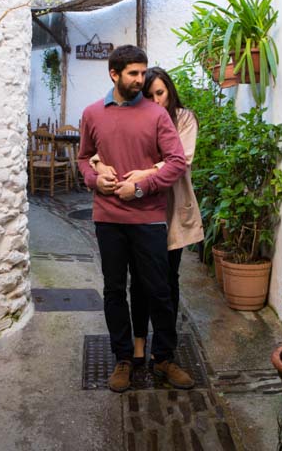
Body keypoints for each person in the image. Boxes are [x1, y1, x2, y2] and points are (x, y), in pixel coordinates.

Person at [77, 45, 195, 393]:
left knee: (159, 290)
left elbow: (175, 163)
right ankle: (124, 359)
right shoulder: (92, 114)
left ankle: (165, 358)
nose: (140, 80)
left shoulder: (157, 116)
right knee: (114, 290)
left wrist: (141, 188)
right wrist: (95, 179)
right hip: (108, 218)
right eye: (133, 74)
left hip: (149, 218)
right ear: (114, 74)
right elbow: (83, 159)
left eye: (143, 73)